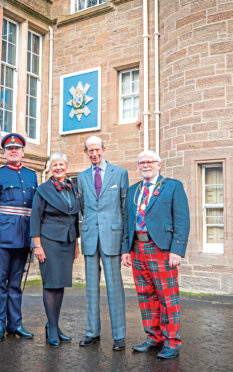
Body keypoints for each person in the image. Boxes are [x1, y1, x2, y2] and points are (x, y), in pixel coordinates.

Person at [122, 150, 190, 359]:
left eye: (150, 162)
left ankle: (171, 341)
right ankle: (153, 337)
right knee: (145, 295)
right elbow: (127, 223)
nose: (146, 165)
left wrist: (177, 251)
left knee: (167, 298)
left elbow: (182, 220)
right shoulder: (133, 190)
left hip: (162, 249)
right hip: (138, 249)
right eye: (142, 162)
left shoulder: (173, 186)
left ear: (159, 164)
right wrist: (125, 250)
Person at [0, 133, 38, 342]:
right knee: (0, 283)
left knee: (16, 283)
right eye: (9, 149)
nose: (13, 151)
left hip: (24, 237)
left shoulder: (32, 175)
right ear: (5, 153)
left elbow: (35, 209)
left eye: (17, 149)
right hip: (3, 236)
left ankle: (15, 324)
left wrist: (35, 238)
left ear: (23, 152)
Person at [77, 136, 129, 351]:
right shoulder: (81, 177)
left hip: (113, 237)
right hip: (90, 236)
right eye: (90, 151)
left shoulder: (120, 173)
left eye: (97, 149)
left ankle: (119, 335)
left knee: (114, 287)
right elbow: (82, 207)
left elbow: (125, 209)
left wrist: (126, 243)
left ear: (104, 149)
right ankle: (92, 333)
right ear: (86, 152)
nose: (94, 154)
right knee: (90, 288)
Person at [30, 153, 80, 347]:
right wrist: (37, 245)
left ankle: (55, 325)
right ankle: (51, 328)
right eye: (55, 165)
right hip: (49, 241)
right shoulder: (43, 189)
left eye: (61, 164)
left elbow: (75, 218)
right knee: (51, 284)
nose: (58, 168)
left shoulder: (72, 188)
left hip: (67, 241)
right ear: (50, 168)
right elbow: (35, 217)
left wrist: (76, 243)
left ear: (66, 167)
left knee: (60, 284)